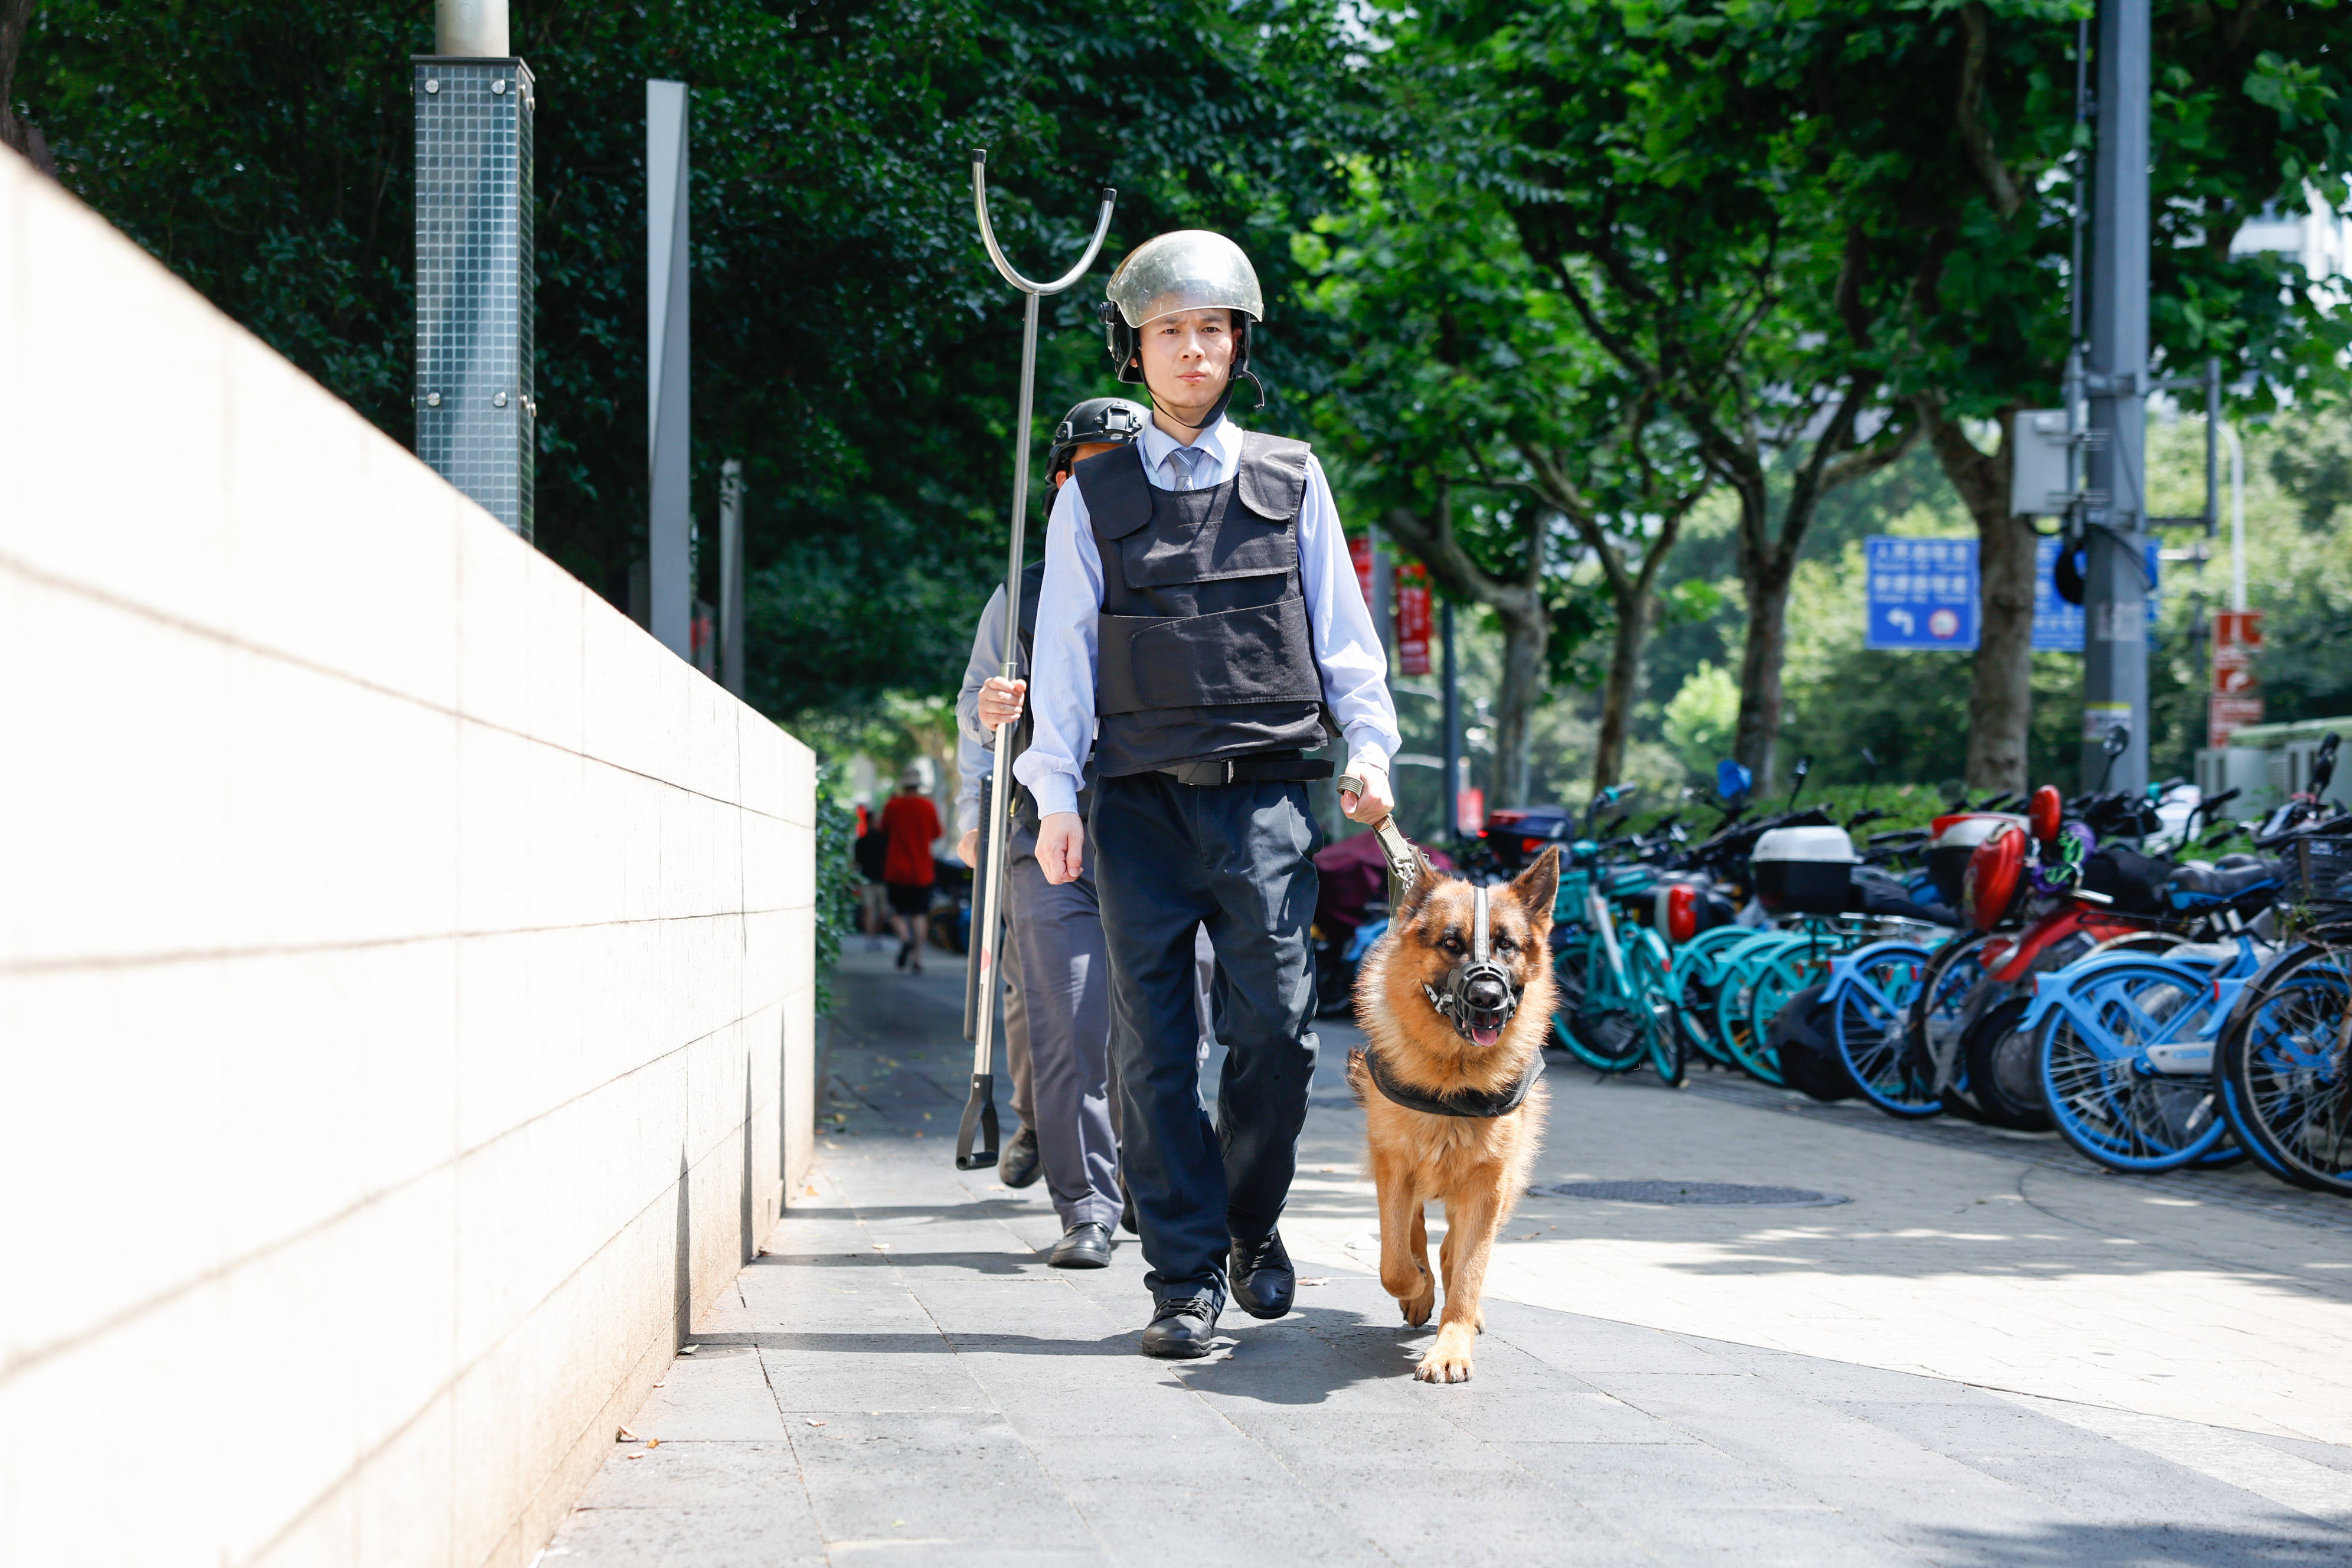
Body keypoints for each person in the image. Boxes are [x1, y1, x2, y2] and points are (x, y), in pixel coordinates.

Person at [1015, 230, 1400, 1358]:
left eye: (1210, 329)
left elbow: (1343, 634)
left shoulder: (1291, 477)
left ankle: (1250, 1223)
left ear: (1240, 345)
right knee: (1149, 1052)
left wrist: (1369, 747)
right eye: (1168, 331)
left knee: (1276, 1039)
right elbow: (1065, 653)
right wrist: (1054, 799)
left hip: (1268, 801)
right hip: (1134, 806)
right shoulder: (1091, 494)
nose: (1192, 350)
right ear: (1133, 352)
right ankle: (1180, 1277)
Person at [955, 397, 1149, 1266]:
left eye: (1119, 464)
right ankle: (1087, 1207)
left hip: (1165, 833)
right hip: (1048, 831)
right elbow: (974, 710)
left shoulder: (1181, 571)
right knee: (1063, 1021)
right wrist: (991, 719)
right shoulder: (1021, 593)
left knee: (1157, 1026)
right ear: (1059, 483)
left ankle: (1151, 1186)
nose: (1098, 483)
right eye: (1084, 467)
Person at [878, 766, 941, 974]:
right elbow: (936, 834)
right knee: (919, 915)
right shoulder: (928, 807)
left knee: (896, 913)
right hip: (922, 870)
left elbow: (882, 830)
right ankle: (918, 958)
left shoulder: (893, 806)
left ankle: (905, 940)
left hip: (896, 869)